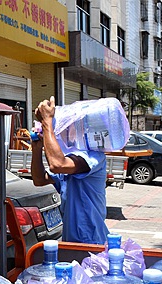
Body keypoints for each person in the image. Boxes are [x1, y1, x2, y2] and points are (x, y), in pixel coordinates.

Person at [30, 96, 109, 244]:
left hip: (91, 242)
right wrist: (37, 148)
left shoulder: (94, 157)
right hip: (71, 241)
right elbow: (39, 179)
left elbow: (57, 164)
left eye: (68, 128)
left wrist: (47, 123)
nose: (63, 131)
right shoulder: (71, 159)